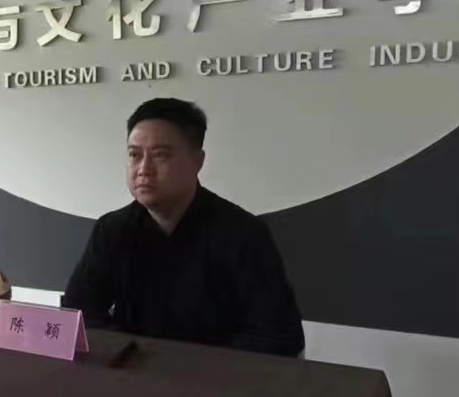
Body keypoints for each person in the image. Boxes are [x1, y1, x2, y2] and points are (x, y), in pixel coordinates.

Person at [62, 98, 304, 357]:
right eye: (134, 155)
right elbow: (78, 311)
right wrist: (132, 353)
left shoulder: (243, 233)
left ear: (197, 162)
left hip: (216, 375)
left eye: (160, 155)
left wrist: (183, 362)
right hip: (133, 369)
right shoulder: (113, 229)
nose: (143, 169)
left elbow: (278, 336)